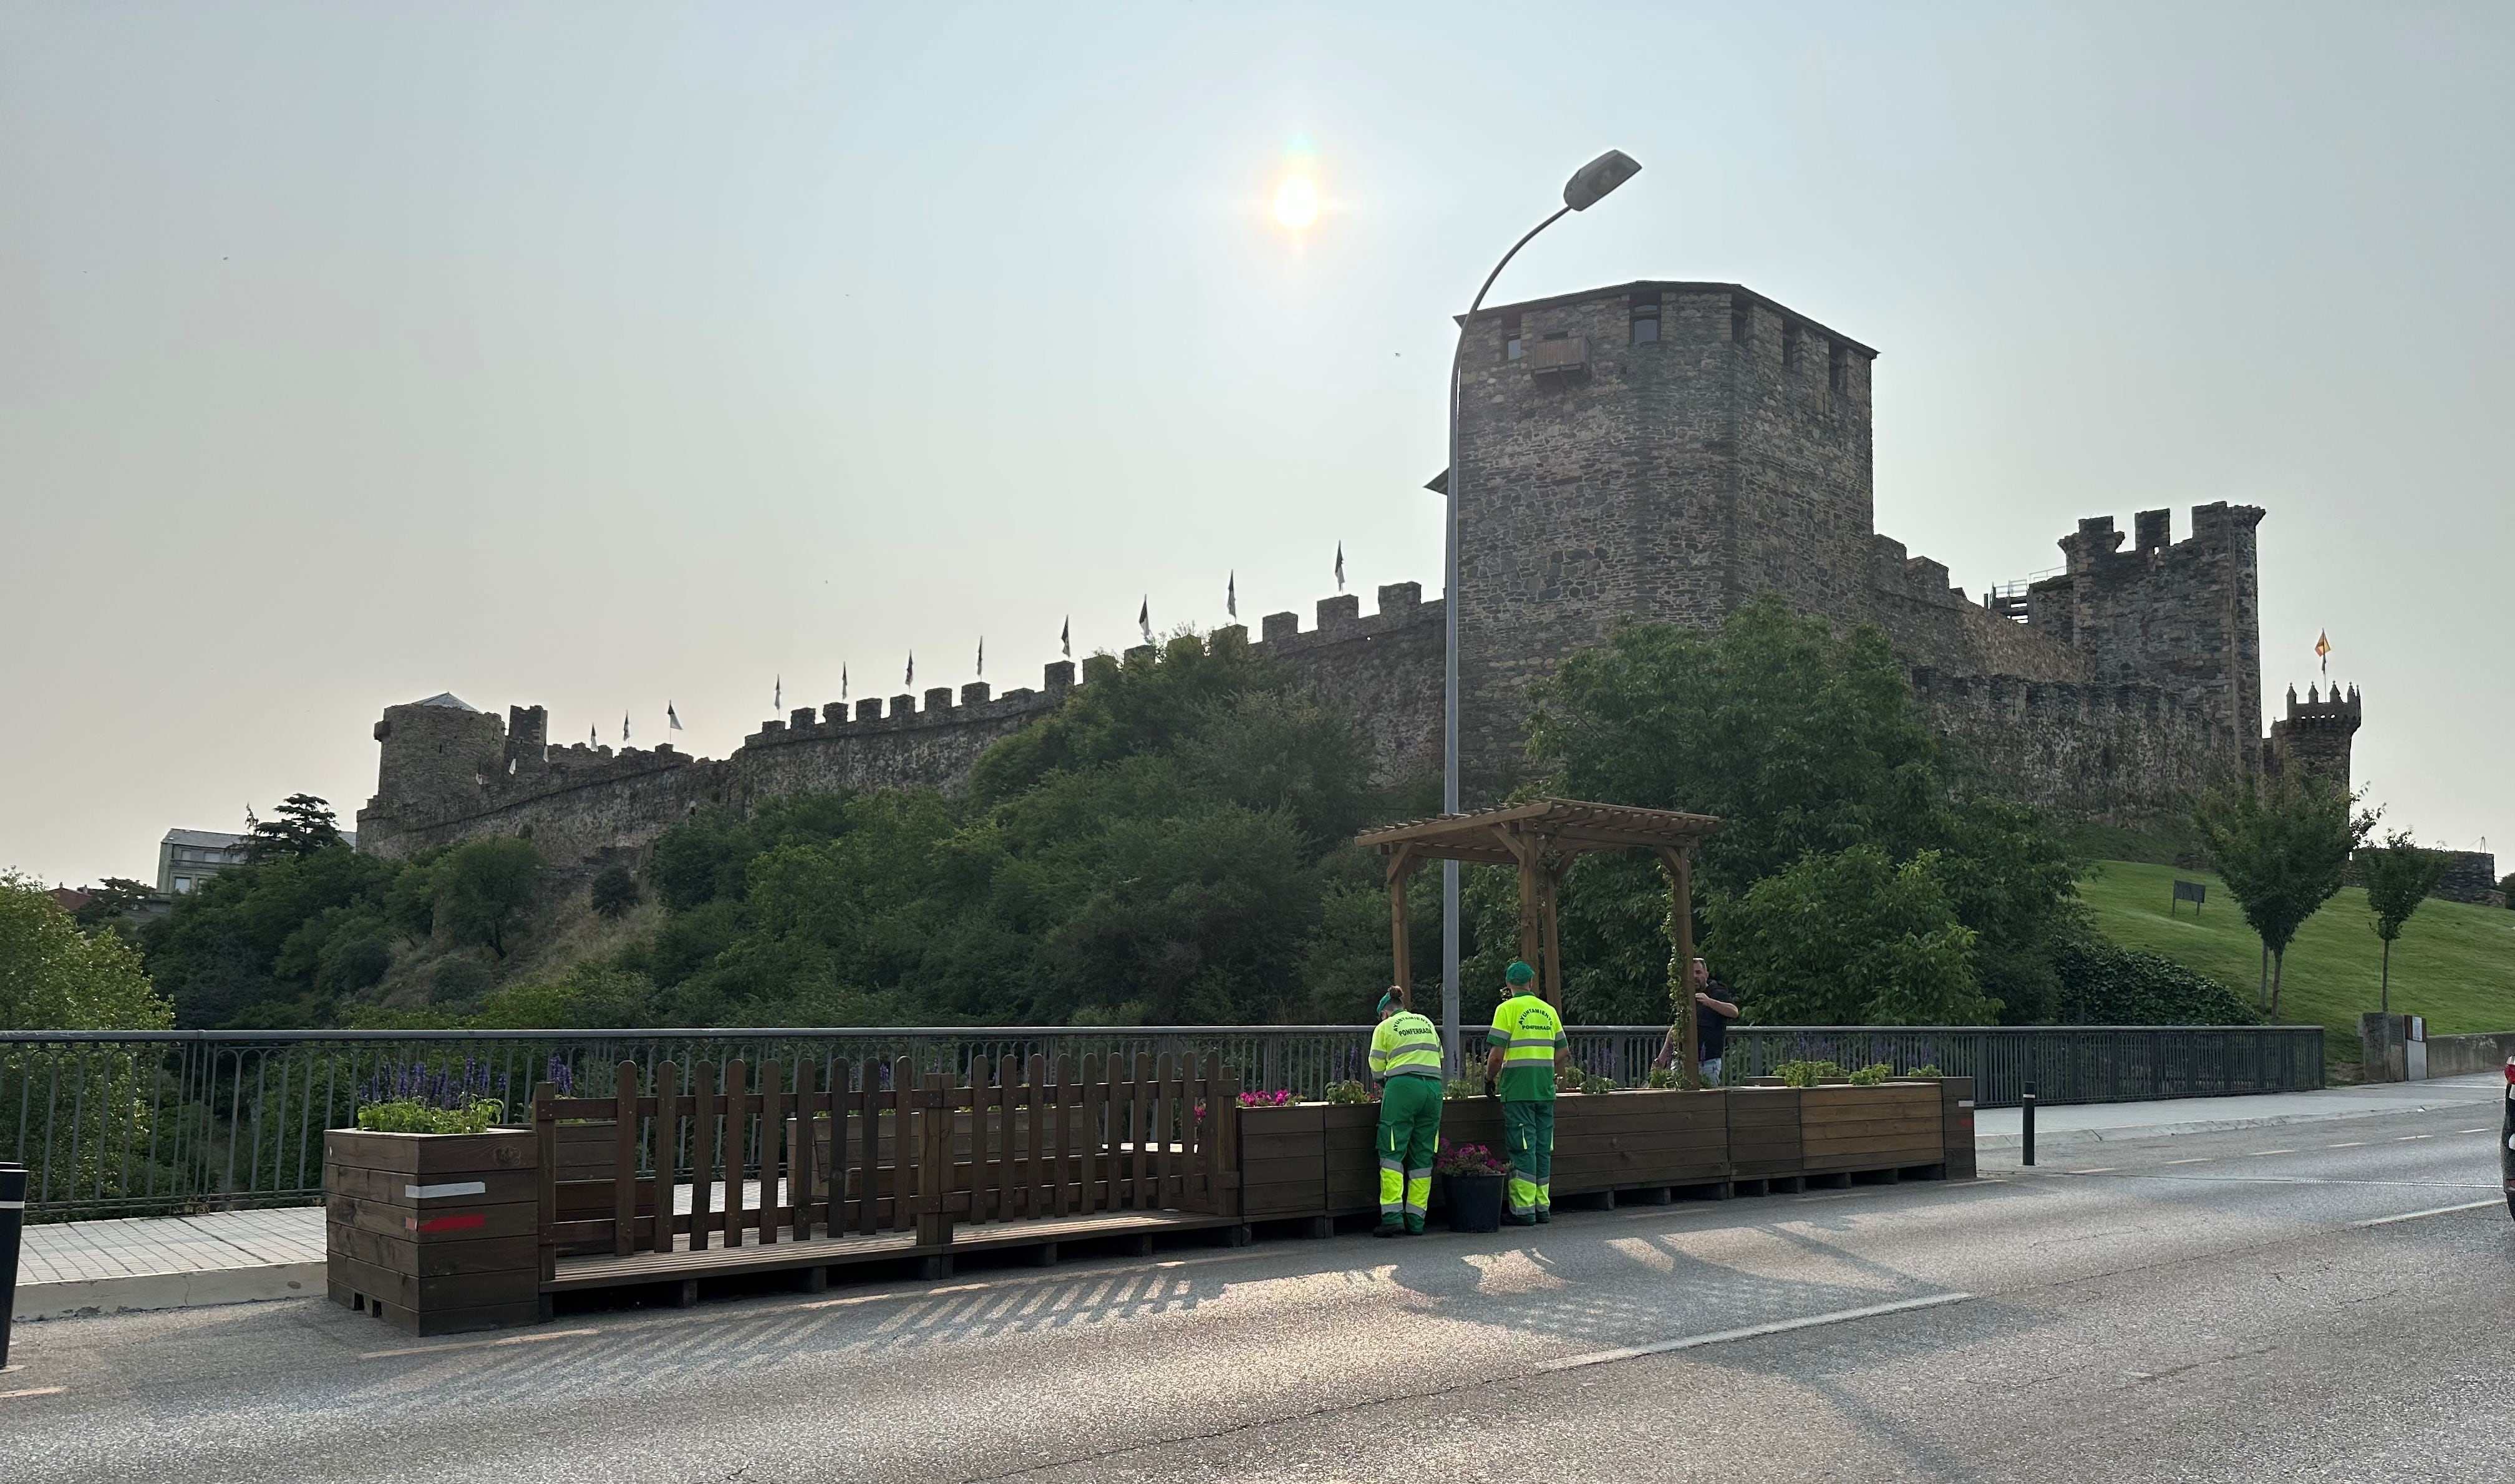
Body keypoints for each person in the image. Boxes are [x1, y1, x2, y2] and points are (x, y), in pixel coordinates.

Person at [1485, 960, 1569, 1225]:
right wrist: (1543, 1067)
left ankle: (1523, 1212)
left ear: (1509, 984)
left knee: (1523, 1149)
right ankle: (1542, 1207)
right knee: (1543, 1149)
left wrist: (1489, 1078)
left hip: (1518, 1090)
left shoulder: (1506, 1009)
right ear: (1531, 983)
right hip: (1544, 1090)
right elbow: (1564, 1051)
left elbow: (1497, 1055)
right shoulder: (1549, 1011)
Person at [1367, 988, 1445, 1237]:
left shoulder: (1386, 1027)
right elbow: (1439, 1057)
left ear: (1385, 1012)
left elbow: (1377, 1068)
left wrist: (1385, 1087)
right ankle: (1416, 1220)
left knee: (1392, 1151)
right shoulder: (1426, 1022)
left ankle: (1392, 1217)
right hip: (1433, 1089)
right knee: (1423, 1155)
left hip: (1402, 1088)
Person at [1654, 958, 1739, 1086]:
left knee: (1707, 1101)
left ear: (1706, 974)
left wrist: (1710, 1002)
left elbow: (1734, 1011)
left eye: (1698, 972)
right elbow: (1675, 1027)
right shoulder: (1683, 995)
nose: (1695, 976)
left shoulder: (1717, 992)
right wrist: (1662, 1058)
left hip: (1708, 1062)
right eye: (1691, 973)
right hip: (1681, 1061)